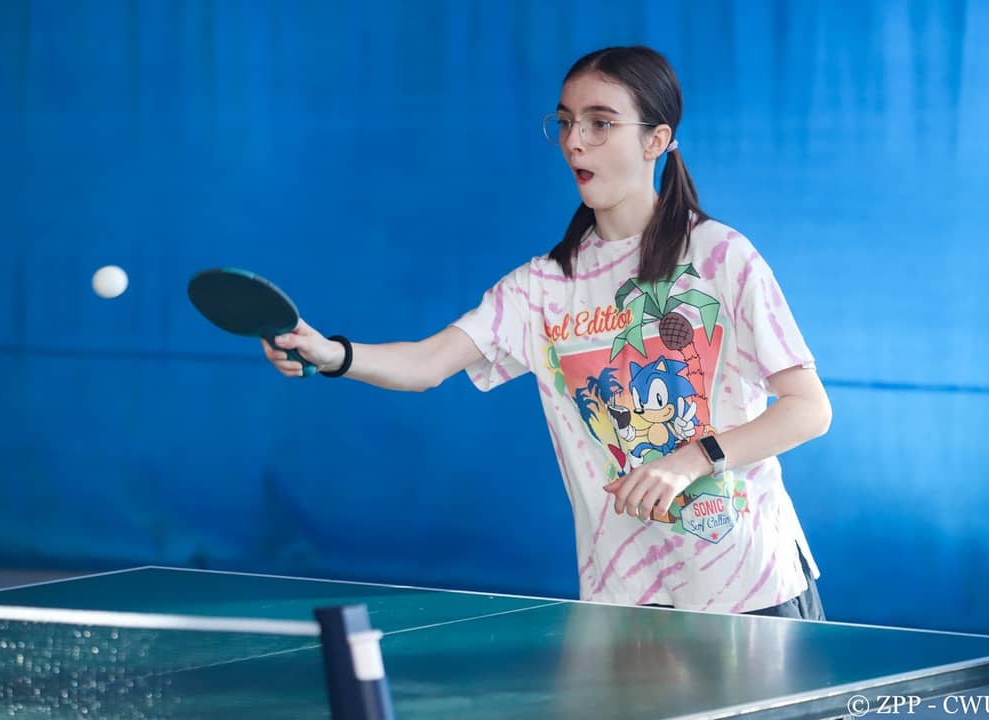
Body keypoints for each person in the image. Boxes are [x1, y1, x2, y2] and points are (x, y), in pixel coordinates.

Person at [262, 46, 832, 619]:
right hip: (627, 599)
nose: (574, 141)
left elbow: (808, 409)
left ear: (655, 141)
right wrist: (332, 354)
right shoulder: (541, 287)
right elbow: (425, 364)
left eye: (600, 123)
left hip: (752, 587)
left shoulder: (721, 256)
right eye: (565, 122)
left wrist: (691, 460)